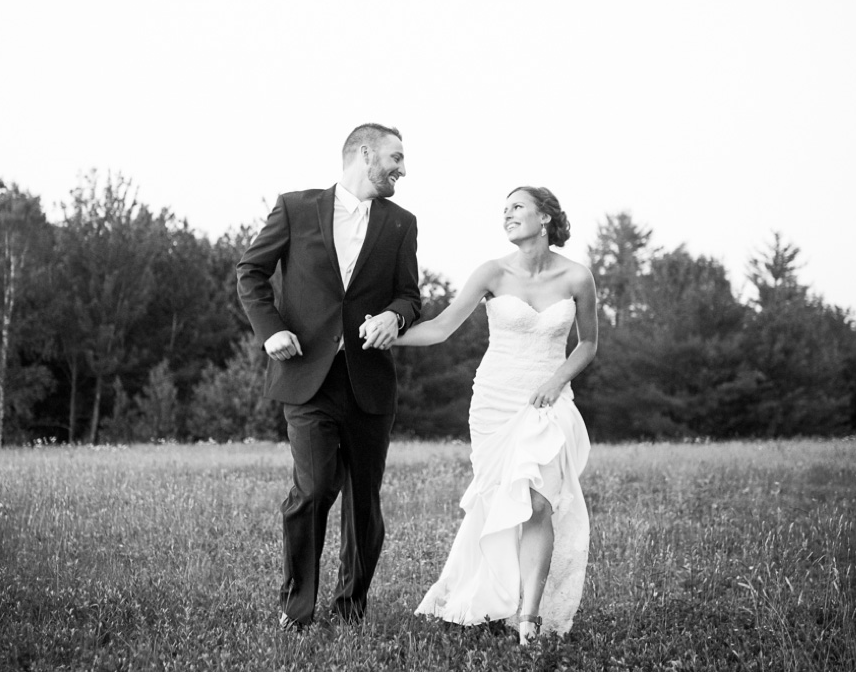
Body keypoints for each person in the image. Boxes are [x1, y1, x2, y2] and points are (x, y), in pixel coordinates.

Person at [236, 123, 422, 632]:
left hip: (369, 381)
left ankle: (350, 610)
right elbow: (250, 272)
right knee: (315, 488)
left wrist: (395, 317)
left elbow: (410, 294)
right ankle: (297, 609)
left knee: (364, 504)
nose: (403, 169)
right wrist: (269, 330)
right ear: (364, 154)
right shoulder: (296, 207)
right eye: (396, 158)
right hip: (307, 376)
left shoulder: (401, 223)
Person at [392, 185, 598, 646]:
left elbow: (588, 344)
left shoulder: (577, 277)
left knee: (539, 503)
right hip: (495, 400)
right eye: (503, 210)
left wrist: (557, 379)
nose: (507, 215)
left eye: (517, 208)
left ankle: (529, 617)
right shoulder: (491, 272)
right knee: (501, 502)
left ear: (545, 217)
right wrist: (389, 337)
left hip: (548, 399)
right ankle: (489, 593)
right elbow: (442, 327)